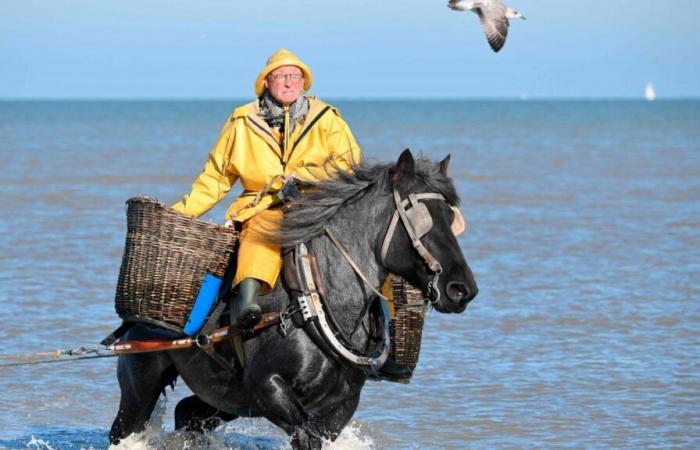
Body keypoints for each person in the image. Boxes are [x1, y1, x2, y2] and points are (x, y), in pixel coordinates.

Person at [171, 49, 361, 329]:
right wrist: (178, 214)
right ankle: (248, 302)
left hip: (317, 203)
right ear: (266, 82)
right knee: (260, 233)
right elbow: (216, 177)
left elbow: (349, 165)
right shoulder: (242, 121)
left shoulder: (328, 119)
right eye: (282, 76)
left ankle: (383, 334)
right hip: (262, 205)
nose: (289, 82)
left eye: (296, 76)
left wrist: (304, 179)